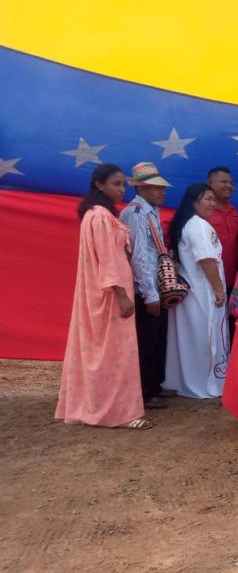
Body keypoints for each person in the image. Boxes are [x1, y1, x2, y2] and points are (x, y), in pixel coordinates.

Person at [56, 164, 151, 429]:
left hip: (102, 291)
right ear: (99, 184)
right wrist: (122, 295)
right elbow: (109, 259)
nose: (121, 190)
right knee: (115, 353)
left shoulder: (97, 214)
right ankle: (119, 413)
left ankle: (98, 406)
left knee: (102, 352)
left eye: (123, 185)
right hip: (110, 294)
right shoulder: (100, 216)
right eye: (116, 184)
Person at [165, 184, 230, 398]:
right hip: (203, 291)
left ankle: (189, 380)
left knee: (189, 337)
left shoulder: (187, 224)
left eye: (213, 199)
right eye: (207, 199)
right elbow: (207, 259)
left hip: (192, 291)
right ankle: (206, 384)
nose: (212, 203)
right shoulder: (199, 225)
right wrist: (218, 289)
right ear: (194, 201)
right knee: (206, 336)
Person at [119, 162, 173, 410]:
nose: (162, 192)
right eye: (156, 187)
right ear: (140, 188)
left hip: (155, 284)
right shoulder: (136, 213)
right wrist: (150, 294)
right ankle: (145, 390)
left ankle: (155, 385)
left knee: (158, 337)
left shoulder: (150, 211)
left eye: (162, 187)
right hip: (146, 287)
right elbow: (139, 256)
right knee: (147, 340)